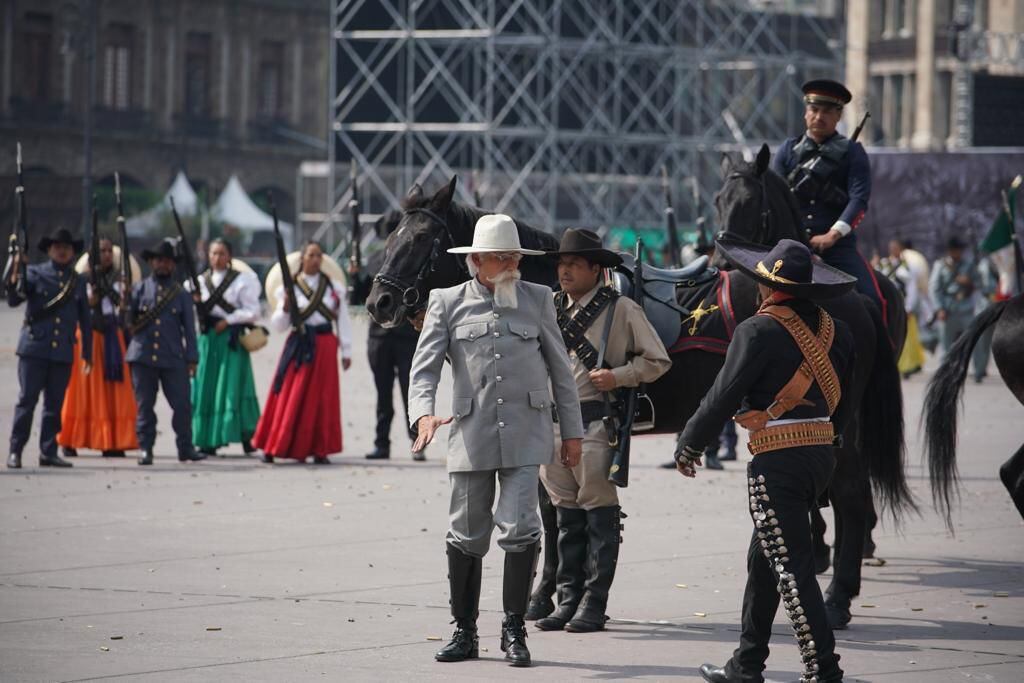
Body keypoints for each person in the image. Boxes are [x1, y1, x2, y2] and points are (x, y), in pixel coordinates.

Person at [675, 238, 856, 683]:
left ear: (767, 286)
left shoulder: (757, 330)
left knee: (791, 570)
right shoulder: (840, 332)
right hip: (819, 456)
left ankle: (824, 670)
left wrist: (690, 442)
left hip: (778, 461)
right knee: (764, 559)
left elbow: (723, 394)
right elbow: (844, 408)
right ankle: (746, 664)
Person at [408, 214, 584, 668]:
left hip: (528, 433)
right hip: (472, 434)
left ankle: (513, 628)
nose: (509, 264)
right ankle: (464, 631)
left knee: (522, 529)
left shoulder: (539, 299)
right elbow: (424, 368)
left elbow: (562, 372)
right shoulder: (446, 302)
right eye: (500, 258)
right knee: (466, 534)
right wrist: (423, 414)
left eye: (514, 257)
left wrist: (574, 433)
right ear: (476, 261)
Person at [536, 229, 670, 633]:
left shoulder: (622, 309)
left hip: (595, 423)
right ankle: (567, 599)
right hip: (553, 425)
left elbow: (657, 360)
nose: (565, 271)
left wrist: (619, 376)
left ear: (596, 269)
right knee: (565, 518)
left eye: (575, 264)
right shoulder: (549, 307)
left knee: (598, 513)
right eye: (562, 264)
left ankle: (594, 603)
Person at [772, 79, 886, 320]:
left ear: (838, 116)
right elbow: (775, 199)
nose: (818, 116)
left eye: (826, 111)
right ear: (806, 113)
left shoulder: (853, 153)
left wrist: (833, 235)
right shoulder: (787, 151)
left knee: (874, 301)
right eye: (814, 110)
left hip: (837, 249)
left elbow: (859, 199)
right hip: (791, 246)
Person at [253, 241, 353, 464]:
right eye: (311, 255)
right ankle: (275, 445)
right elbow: (279, 325)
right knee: (289, 393)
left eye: (319, 255)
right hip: (299, 342)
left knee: (322, 398)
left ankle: (320, 449)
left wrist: (346, 351)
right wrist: (286, 306)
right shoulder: (289, 288)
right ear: (303, 259)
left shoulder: (333, 288)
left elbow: (343, 319)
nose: (315, 259)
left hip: (326, 345)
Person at [6, 227, 93, 469]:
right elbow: (13, 299)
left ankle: (48, 451)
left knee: (54, 406)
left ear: (73, 252)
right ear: (49, 250)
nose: (62, 251)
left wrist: (87, 353)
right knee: (27, 401)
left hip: (62, 351)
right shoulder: (33, 273)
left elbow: (85, 320)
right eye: (57, 247)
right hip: (34, 348)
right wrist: (15, 267)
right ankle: (15, 450)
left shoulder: (78, 281)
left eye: (66, 247)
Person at [58, 238, 138, 458]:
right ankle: (71, 439)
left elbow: (122, 308)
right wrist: (90, 297)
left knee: (115, 391)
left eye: (108, 251)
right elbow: (78, 307)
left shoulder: (120, 279)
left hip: (112, 336)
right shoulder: (82, 279)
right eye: (101, 251)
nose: (105, 255)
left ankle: (113, 440)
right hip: (88, 337)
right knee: (81, 391)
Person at [128, 238, 204, 466]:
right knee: (145, 406)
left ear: (173, 265)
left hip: (173, 358)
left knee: (182, 405)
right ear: (152, 262)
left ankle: (185, 447)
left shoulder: (181, 294)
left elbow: (190, 330)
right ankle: (145, 448)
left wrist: (192, 358)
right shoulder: (138, 289)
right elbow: (127, 322)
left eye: (168, 261)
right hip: (143, 356)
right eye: (159, 260)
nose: (163, 265)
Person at [188, 239, 262, 456]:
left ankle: (248, 435)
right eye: (213, 253)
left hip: (231, 339)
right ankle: (207, 438)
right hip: (208, 340)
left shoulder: (242, 281)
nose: (217, 257)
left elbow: (253, 311)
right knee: (207, 386)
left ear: (230, 256)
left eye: (222, 253)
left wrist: (229, 321)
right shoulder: (199, 282)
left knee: (235, 386)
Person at [363, 212, 422, 462]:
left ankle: (416, 442)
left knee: (411, 393)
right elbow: (360, 297)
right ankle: (381, 442)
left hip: (406, 336)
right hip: (379, 337)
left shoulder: (411, 261)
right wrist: (355, 274)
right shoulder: (374, 260)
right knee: (383, 395)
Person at [930, 236, 989, 381]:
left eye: (960, 250)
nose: (959, 252)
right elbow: (934, 288)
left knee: (975, 341)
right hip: (948, 309)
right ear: (950, 251)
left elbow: (981, 284)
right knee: (946, 345)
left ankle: (979, 371)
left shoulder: (969, 265)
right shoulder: (940, 265)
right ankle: (945, 374)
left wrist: (969, 281)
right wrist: (939, 308)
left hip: (966, 308)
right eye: (956, 250)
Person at [880, 239, 925, 377]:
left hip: (902, 302)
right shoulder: (884, 264)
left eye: (896, 247)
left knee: (907, 337)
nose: (893, 249)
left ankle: (907, 366)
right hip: (888, 303)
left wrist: (909, 306)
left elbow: (911, 288)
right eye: (891, 247)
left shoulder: (907, 266)